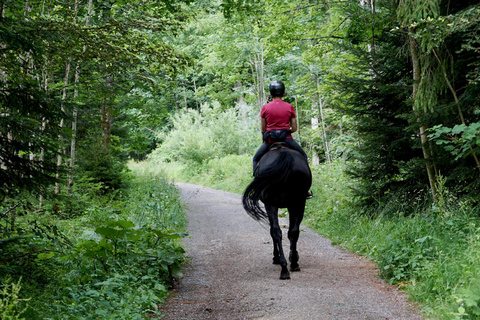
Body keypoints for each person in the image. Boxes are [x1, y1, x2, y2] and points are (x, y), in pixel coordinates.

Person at [252, 80, 312, 198]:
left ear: (271, 93)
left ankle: (257, 187)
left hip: (270, 140)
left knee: (256, 158)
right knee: (303, 156)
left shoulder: (265, 108)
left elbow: (263, 129)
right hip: (287, 139)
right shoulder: (289, 107)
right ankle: (305, 189)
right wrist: (286, 131)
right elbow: (294, 128)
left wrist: (268, 135)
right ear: (283, 92)